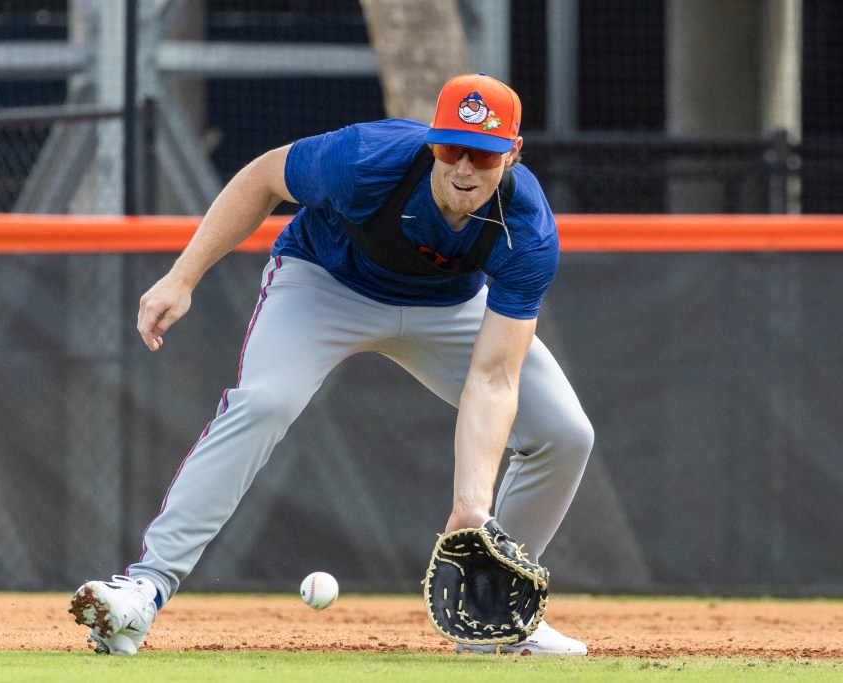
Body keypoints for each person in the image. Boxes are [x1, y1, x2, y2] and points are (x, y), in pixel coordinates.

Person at [69, 73, 593, 656]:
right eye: (451, 148)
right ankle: (145, 589)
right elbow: (262, 177)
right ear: (431, 144)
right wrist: (183, 275)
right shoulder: (368, 157)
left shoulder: (528, 230)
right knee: (264, 402)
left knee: (565, 434)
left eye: (485, 154)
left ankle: (494, 618)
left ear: (513, 155)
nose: (464, 168)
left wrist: (470, 506)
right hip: (325, 283)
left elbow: (494, 378)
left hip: (446, 307)